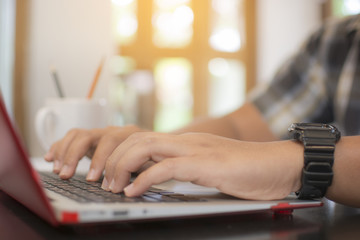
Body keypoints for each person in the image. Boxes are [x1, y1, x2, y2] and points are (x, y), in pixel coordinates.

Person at [44, 15, 360, 208]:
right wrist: (152, 144)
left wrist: (295, 162)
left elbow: (262, 150)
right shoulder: (335, 42)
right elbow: (240, 126)